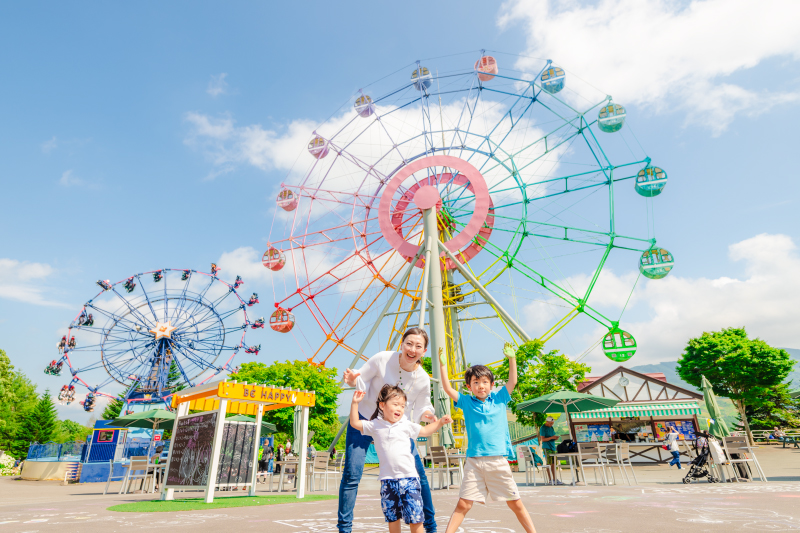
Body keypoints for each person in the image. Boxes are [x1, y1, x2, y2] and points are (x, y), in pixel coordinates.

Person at [339, 327, 438, 533]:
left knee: (419, 474)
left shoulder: (423, 378)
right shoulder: (382, 358)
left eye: (418, 346)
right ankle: (344, 529)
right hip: (367, 418)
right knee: (352, 474)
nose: (412, 349)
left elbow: (423, 405)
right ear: (401, 344)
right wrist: (351, 379)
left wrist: (427, 414)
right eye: (409, 344)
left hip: (396, 426)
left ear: (424, 351)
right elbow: (360, 379)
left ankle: (431, 527)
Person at [439, 343, 537, 533]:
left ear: (492, 385)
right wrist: (443, 366)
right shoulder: (466, 402)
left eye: (484, 382)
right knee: (464, 504)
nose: (480, 386)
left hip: (497, 460)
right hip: (474, 461)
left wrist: (512, 359)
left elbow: (513, 382)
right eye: (475, 382)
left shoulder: (499, 399)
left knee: (515, 503)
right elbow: (446, 388)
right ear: (469, 386)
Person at [350, 386, 452, 533]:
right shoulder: (375, 425)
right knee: (392, 518)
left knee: (416, 519)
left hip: (409, 479)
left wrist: (440, 422)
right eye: (395, 404)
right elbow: (355, 423)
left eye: (403, 406)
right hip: (387, 480)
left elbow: (425, 431)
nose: (400, 408)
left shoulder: (406, 424)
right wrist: (355, 403)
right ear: (382, 405)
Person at [538, 416, 561, 485]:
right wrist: (551, 437)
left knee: (554, 464)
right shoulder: (543, 428)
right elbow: (543, 439)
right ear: (547, 422)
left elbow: (552, 436)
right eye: (550, 423)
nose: (551, 425)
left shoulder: (551, 427)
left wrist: (555, 438)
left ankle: (555, 478)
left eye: (552, 423)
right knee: (549, 464)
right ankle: (550, 479)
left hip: (553, 447)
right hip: (547, 447)